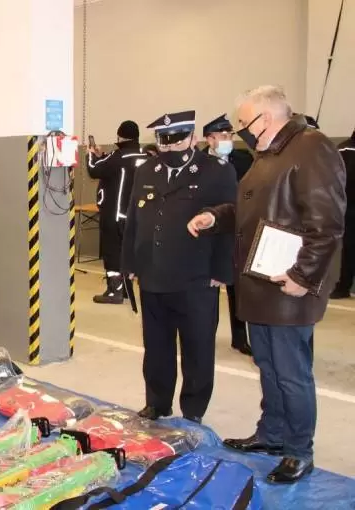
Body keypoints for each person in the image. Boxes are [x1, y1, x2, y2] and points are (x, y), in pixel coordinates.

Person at [188, 85, 346, 483]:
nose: (240, 130)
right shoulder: (271, 153)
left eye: (244, 122)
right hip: (261, 281)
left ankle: (298, 450)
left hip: (288, 283)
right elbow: (252, 210)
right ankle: (272, 433)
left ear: (267, 117)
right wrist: (217, 217)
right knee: (269, 366)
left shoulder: (310, 148)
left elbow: (327, 223)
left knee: (291, 372)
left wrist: (303, 275)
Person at [121, 110, 237, 425]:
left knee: (197, 347)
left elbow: (231, 221)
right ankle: (157, 402)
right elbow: (135, 219)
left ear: (193, 138)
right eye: (164, 141)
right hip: (153, 273)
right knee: (156, 346)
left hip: (196, 276)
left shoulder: (216, 171)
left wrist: (222, 272)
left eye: (177, 141)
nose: (170, 147)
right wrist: (130, 262)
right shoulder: (147, 170)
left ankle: (193, 409)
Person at [202, 114, 255, 356]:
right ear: (209, 139)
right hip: (210, 231)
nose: (228, 140)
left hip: (237, 230)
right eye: (222, 136)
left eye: (230, 135)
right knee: (208, 287)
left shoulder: (243, 159)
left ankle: (240, 338)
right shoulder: (199, 163)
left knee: (237, 287)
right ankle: (205, 335)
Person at [87, 121, 148, 304]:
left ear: (120, 137)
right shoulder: (144, 156)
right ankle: (127, 289)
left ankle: (115, 290)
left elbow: (94, 170)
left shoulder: (118, 156)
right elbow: (114, 167)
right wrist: (102, 156)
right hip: (137, 215)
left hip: (115, 214)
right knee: (128, 252)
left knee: (112, 251)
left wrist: (91, 154)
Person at [330, 127, 355, 299]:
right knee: (349, 248)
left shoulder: (342, 148)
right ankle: (343, 285)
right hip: (348, 207)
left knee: (349, 248)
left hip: (347, 206)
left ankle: (343, 286)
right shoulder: (344, 149)